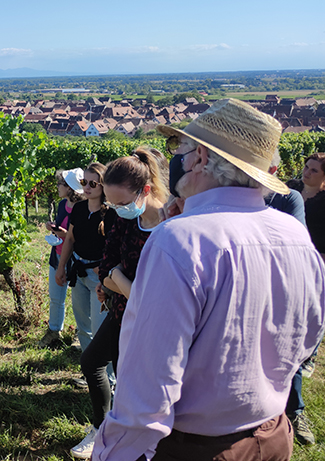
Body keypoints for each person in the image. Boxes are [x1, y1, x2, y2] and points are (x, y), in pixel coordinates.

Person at [93, 99, 325, 461]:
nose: (178, 162)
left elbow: (148, 389)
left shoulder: (178, 241)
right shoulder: (295, 235)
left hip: (194, 447)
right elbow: (309, 336)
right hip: (274, 435)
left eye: (180, 151)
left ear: (200, 158)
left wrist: (114, 453)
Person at [70, 148, 168, 459]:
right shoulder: (127, 220)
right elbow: (107, 266)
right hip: (125, 312)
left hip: (159, 322)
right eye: (113, 204)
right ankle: (104, 432)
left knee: (141, 383)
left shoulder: (172, 222)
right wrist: (131, 290)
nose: (118, 210)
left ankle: (142, 443)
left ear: (146, 190)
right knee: (95, 362)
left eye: (123, 203)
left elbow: (166, 285)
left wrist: (119, 282)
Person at [264, 150, 315, 446]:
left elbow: (295, 243)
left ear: (271, 169)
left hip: (280, 287)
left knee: (287, 353)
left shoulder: (287, 199)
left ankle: (294, 411)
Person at [55, 163, 117, 353]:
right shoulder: (80, 208)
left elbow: (114, 248)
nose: (87, 188)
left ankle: (106, 378)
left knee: (99, 329)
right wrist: (61, 267)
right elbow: (70, 239)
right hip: (79, 273)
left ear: (103, 186)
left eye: (93, 184)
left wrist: (105, 271)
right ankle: (90, 372)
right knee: (83, 326)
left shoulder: (112, 214)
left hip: (100, 277)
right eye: (84, 182)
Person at [38, 168, 85, 347]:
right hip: (57, 256)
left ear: (70, 188)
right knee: (56, 297)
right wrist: (53, 227)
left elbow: (82, 238)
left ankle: (80, 334)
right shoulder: (61, 205)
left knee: (79, 302)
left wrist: (67, 235)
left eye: (60, 184)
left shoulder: (82, 208)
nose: (57, 186)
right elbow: (61, 227)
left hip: (75, 260)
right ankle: (54, 330)